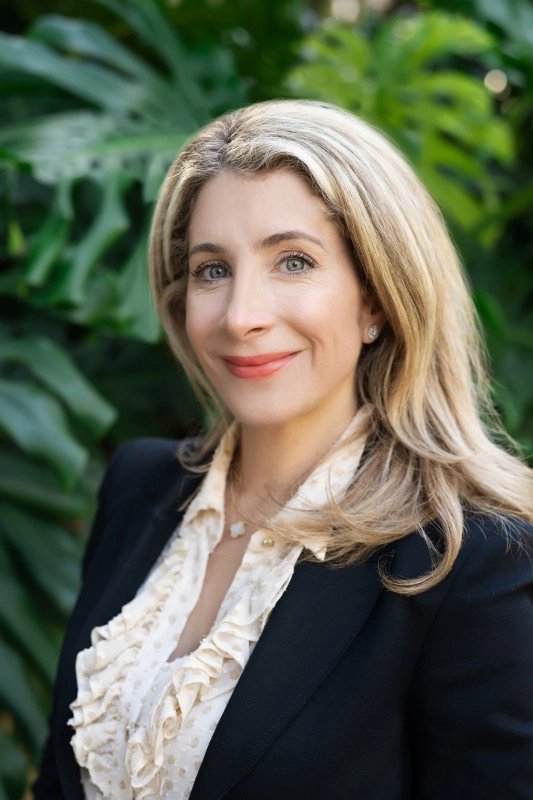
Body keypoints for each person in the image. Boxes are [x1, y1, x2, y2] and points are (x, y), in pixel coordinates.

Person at [34, 99, 533, 800]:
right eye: (212, 270)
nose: (241, 316)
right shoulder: (140, 485)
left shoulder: (469, 557)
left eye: (293, 262)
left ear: (376, 299)